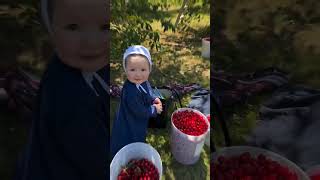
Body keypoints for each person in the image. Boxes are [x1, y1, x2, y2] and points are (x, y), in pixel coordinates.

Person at [14, 0, 109, 179]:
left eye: (105, 26)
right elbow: (101, 166)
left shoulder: (82, 61)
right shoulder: (71, 100)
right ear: (52, 30)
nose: (91, 42)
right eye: (73, 27)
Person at [110, 45, 163, 157]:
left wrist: (153, 98)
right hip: (130, 119)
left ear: (149, 69)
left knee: (139, 130)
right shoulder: (130, 92)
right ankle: (126, 153)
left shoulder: (144, 82)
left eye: (143, 70)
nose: (138, 74)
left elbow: (148, 91)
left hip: (138, 116)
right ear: (126, 70)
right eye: (132, 70)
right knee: (130, 136)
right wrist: (154, 109)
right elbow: (139, 111)